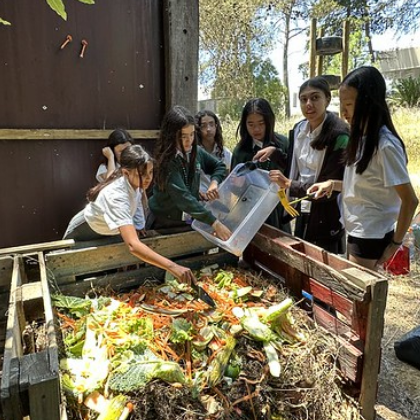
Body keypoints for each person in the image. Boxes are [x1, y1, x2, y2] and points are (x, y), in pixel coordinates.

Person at [308, 66, 418, 270]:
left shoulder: (385, 145)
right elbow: (367, 186)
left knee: (361, 297)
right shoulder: (361, 138)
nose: (343, 113)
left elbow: (410, 200)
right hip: (357, 227)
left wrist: (395, 243)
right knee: (359, 295)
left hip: (370, 233)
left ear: (369, 103)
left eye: (349, 104)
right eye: (342, 104)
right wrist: (333, 184)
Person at [63, 144, 196, 284]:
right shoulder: (117, 196)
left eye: (151, 172)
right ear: (126, 173)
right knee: (78, 272)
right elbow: (133, 245)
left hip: (108, 230)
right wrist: (173, 267)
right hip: (85, 231)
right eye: (143, 174)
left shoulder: (135, 183)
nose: (148, 178)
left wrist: (139, 225)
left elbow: (136, 202)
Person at [269, 76, 349, 254]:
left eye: (315, 98)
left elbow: (331, 186)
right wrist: (274, 153)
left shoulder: (340, 135)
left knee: (326, 264)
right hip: (303, 207)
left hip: (328, 214)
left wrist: (290, 184)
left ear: (327, 99)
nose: (308, 104)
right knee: (302, 256)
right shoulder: (299, 129)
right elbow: (296, 165)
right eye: (303, 99)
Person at [149, 105, 232, 240]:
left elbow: (219, 166)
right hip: (165, 221)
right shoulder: (167, 162)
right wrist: (215, 223)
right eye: (183, 136)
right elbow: (184, 198)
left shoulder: (196, 151)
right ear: (171, 136)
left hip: (188, 217)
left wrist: (214, 183)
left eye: (192, 134)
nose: (189, 141)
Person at [231, 98, 290, 230]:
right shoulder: (240, 151)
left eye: (261, 123)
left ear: (269, 122)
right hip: (250, 212)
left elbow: (293, 176)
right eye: (250, 124)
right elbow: (233, 187)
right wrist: (237, 185)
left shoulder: (283, 144)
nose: (256, 129)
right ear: (244, 125)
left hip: (278, 208)